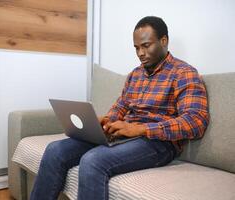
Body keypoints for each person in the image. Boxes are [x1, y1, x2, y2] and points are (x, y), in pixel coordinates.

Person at [30, 16, 209, 200]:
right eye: (137, 48)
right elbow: (121, 106)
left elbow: (196, 121)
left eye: (146, 46)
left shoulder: (184, 73)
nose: (140, 53)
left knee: (93, 161)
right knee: (55, 150)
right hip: (126, 134)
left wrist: (139, 129)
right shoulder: (135, 74)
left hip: (159, 143)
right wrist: (106, 121)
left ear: (164, 41)